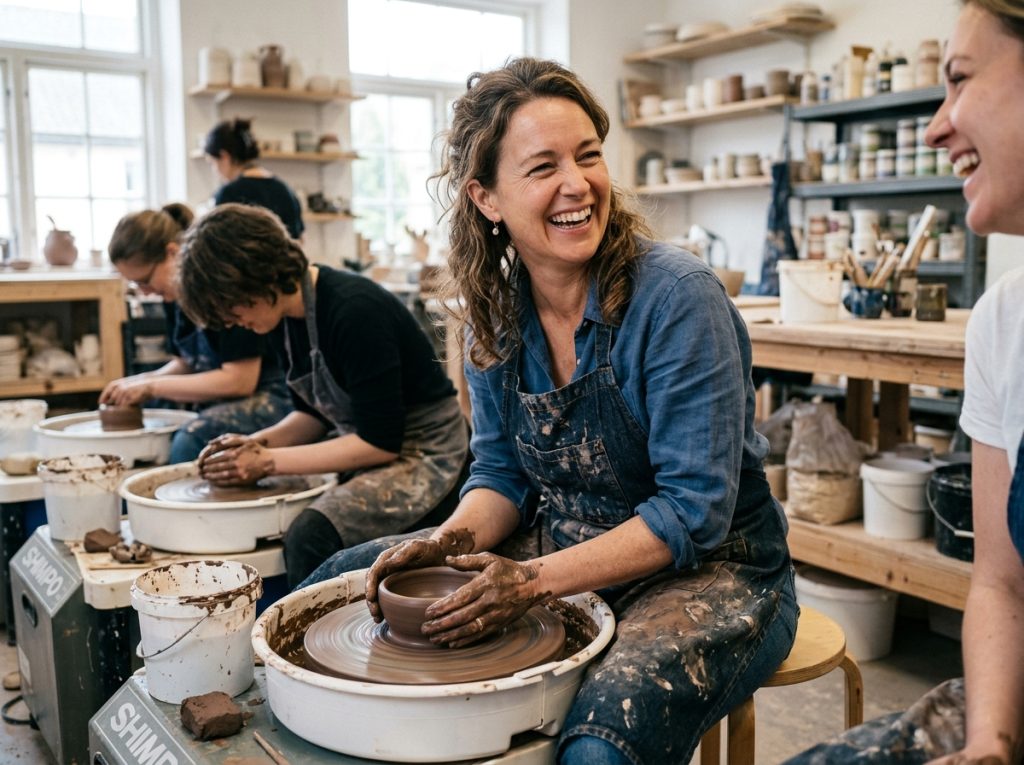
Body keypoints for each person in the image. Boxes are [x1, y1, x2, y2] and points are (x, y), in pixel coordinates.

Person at [298, 57, 798, 765]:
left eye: (588, 156)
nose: (577, 184)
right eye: (542, 167)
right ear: (487, 197)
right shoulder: (493, 315)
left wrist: (529, 581)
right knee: (334, 584)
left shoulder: (676, 298)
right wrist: (451, 537)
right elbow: (500, 473)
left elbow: (694, 511)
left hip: (717, 573)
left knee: (600, 744)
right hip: (563, 543)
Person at [784, 2, 1024, 764]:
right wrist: (990, 744)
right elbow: (1001, 586)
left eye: (960, 81)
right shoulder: (1003, 321)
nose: (934, 127)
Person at [176, 203, 469, 588]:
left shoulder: (352, 310)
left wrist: (267, 461)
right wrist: (252, 446)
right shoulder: (285, 319)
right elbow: (311, 416)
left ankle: (307, 642)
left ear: (257, 276)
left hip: (429, 455)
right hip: (372, 443)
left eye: (231, 306)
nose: (231, 322)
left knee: (309, 535)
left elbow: (380, 443)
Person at [101, 203, 291, 463]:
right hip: (224, 393)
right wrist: (135, 384)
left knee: (191, 438)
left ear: (172, 253)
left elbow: (239, 381)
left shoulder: (220, 292)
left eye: (145, 280)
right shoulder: (172, 297)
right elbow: (186, 362)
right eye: (135, 285)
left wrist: (152, 386)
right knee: (142, 408)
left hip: (270, 394)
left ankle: (174, 501)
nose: (144, 292)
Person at [204, 118, 305, 240]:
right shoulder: (285, 190)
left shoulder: (229, 195)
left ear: (224, 156)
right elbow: (299, 240)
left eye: (212, 163)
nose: (214, 171)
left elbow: (219, 246)